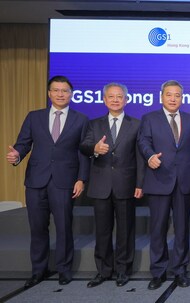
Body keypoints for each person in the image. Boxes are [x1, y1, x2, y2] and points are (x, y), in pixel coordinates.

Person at [6, 75, 89, 288]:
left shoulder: (81, 119)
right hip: (36, 181)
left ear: (71, 94)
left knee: (63, 227)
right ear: (49, 93)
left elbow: (84, 153)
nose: (60, 94)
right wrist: (17, 156)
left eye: (65, 91)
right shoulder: (34, 117)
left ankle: (64, 269)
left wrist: (81, 178)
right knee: (37, 227)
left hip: (65, 181)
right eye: (56, 90)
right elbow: (23, 144)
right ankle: (38, 270)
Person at [79, 83, 144, 288]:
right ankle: (104, 271)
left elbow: (140, 158)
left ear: (126, 100)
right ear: (104, 100)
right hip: (101, 185)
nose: (116, 100)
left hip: (126, 184)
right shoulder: (94, 124)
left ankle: (123, 270)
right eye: (111, 97)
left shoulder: (136, 124)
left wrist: (140, 183)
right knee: (103, 231)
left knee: (125, 231)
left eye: (119, 97)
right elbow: (84, 146)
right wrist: (95, 148)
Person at [137, 80, 190, 290]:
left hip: (184, 182)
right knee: (158, 229)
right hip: (158, 180)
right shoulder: (149, 119)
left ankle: (180, 270)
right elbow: (143, 142)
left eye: (177, 95)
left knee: (182, 229)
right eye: (169, 95)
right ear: (161, 96)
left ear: (182, 98)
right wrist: (149, 156)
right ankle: (158, 271)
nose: (173, 99)